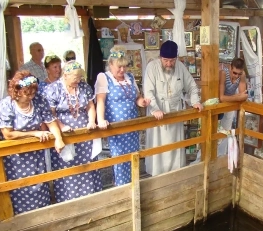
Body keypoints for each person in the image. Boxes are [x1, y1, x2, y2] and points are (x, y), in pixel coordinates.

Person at [0, 71, 65, 214]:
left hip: (36, 155)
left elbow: (50, 121)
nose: (30, 97)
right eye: (27, 93)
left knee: (40, 183)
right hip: (15, 158)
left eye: (33, 93)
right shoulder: (7, 105)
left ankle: (43, 214)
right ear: (17, 91)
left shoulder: (38, 100)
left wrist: (58, 138)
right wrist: (34, 133)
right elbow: (8, 133)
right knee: (21, 187)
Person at [44, 61, 102, 202]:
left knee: (88, 165)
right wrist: (62, 126)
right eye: (75, 77)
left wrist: (91, 121)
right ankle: (69, 200)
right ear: (65, 75)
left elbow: (90, 106)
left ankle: (91, 198)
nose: (78, 80)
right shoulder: (53, 89)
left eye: (79, 77)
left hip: (84, 135)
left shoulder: (83, 87)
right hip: (64, 135)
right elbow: (50, 114)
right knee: (68, 167)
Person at [143, 40, 203, 176]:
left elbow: (192, 87)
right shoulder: (152, 68)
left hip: (175, 113)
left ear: (176, 59)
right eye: (165, 61)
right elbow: (148, 92)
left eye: (172, 61)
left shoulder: (180, 67)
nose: (169, 64)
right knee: (159, 149)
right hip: (158, 113)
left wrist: (195, 101)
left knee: (174, 147)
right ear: (160, 58)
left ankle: (175, 174)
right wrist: (155, 110)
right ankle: (157, 176)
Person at [95, 45, 150, 186]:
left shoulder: (129, 77)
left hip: (131, 126)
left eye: (124, 67)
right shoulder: (104, 78)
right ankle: (121, 188)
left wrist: (142, 102)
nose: (122, 70)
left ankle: (134, 186)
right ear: (110, 64)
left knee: (133, 157)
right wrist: (101, 120)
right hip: (117, 128)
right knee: (120, 159)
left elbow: (136, 98)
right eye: (119, 67)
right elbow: (100, 101)